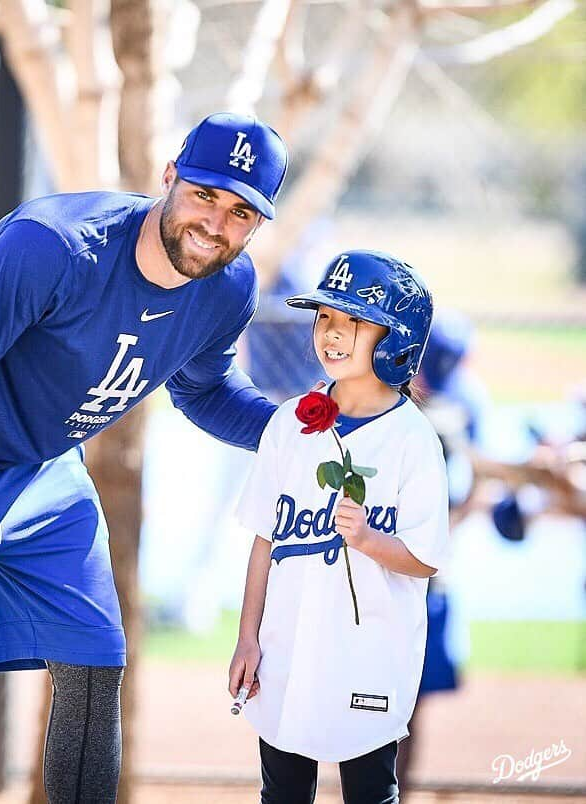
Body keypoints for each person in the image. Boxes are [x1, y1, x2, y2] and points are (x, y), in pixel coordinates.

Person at [0, 112, 287, 804]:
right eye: (204, 194)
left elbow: (204, 393)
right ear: (169, 177)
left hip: (38, 458)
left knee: (93, 659)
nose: (216, 224)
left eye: (240, 213)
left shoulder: (228, 288)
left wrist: (307, 430)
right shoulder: (52, 247)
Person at [228, 251, 450, 804]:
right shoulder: (289, 423)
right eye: (325, 317)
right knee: (281, 790)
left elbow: (425, 558)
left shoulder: (412, 438)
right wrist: (247, 637)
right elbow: (263, 540)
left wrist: (368, 540)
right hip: (285, 644)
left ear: (396, 338)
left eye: (354, 321)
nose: (332, 332)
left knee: (370, 790)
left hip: (368, 653)